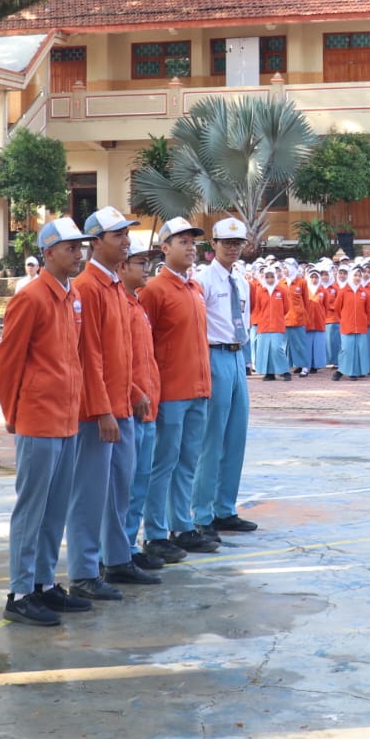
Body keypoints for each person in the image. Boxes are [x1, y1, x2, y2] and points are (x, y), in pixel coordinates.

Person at [0, 216, 94, 628]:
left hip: (66, 416)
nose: (79, 254)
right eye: (71, 248)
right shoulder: (32, 297)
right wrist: (12, 413)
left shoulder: (71, 296)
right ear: (49, 252)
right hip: (38, 417)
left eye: (80, 247)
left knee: (55, 507)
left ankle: (43, 582)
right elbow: (8, 360)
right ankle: (20, 592)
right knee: (32, 507)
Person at [63, 206, 147, 602]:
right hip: (99, 414)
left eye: (126, 234)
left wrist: (132, 392)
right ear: (95, 243)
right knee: (90, 493)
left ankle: (117, 558)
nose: (126, 241)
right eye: (118, 235)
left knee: (119, 489)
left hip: (119, 407)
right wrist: (102, 410)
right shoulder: (88, 288)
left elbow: (119, 354)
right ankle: (84, 571)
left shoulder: (114, 285)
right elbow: (88, 356)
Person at [137, 218, 215, 560]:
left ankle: (181, 526)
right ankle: (155, 533)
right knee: (163, 463)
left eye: (192, 242)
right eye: (183, 241)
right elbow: (143, 342)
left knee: (187, 462)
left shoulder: (194, 288)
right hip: (170, 391)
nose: (190, 247)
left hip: (197, 388)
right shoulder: (154, 290)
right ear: (164, 248)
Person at [194, 217, 257, 541]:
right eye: (227, 243)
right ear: (214, 244)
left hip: (236, 356)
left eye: (238, 243)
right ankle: (202, 514)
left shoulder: (241, 281)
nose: (233, 248)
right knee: (211, 438)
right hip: (214, 355)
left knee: (235, 436)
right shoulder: (202, 280)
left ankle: (225, 508)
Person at [120, 247, 167, 575]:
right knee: (124, 487)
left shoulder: (136, 303)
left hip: (148, 407)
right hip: (131, 406)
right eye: (140, 262)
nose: (146, 268)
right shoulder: (118, 304)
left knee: (140, 484)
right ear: (122, 266)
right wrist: (135, 392)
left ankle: (128, 546)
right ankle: (115, 551)